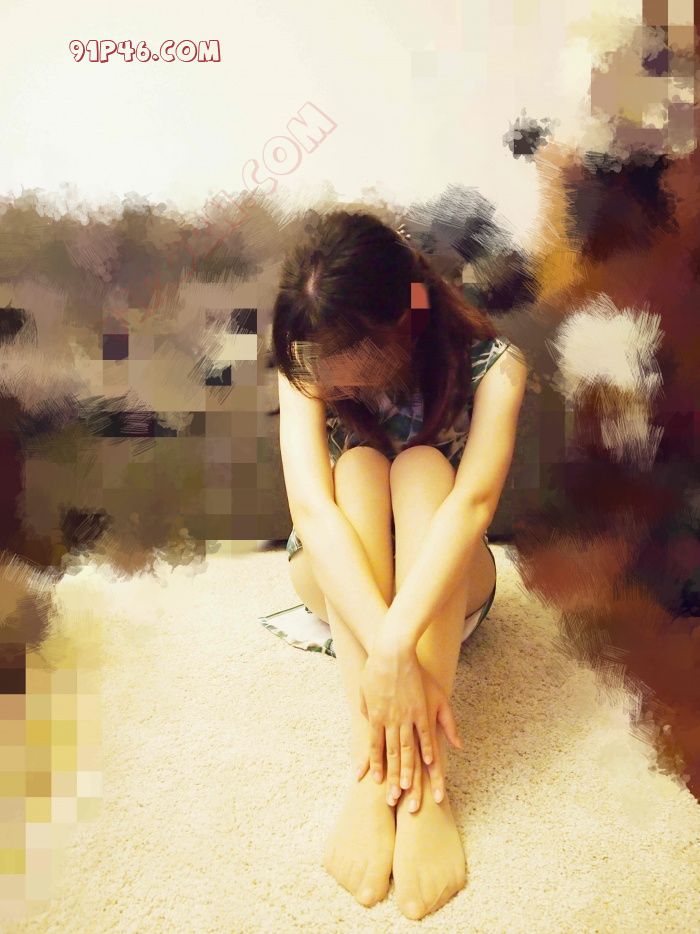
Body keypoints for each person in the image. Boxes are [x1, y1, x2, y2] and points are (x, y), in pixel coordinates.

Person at [272, 209, 528, 920]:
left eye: (349, 359)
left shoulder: (496, 368)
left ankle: (423, 789)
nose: (329, 379)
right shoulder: (302, 363)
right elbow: (312, 513)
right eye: (317, 360)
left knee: (422, 470)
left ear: (407, 317)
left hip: (444, 587)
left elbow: (472, 507)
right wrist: (384, 643)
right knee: (355, 470)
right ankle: (376, 772)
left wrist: (396, 644)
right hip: (337, 581)